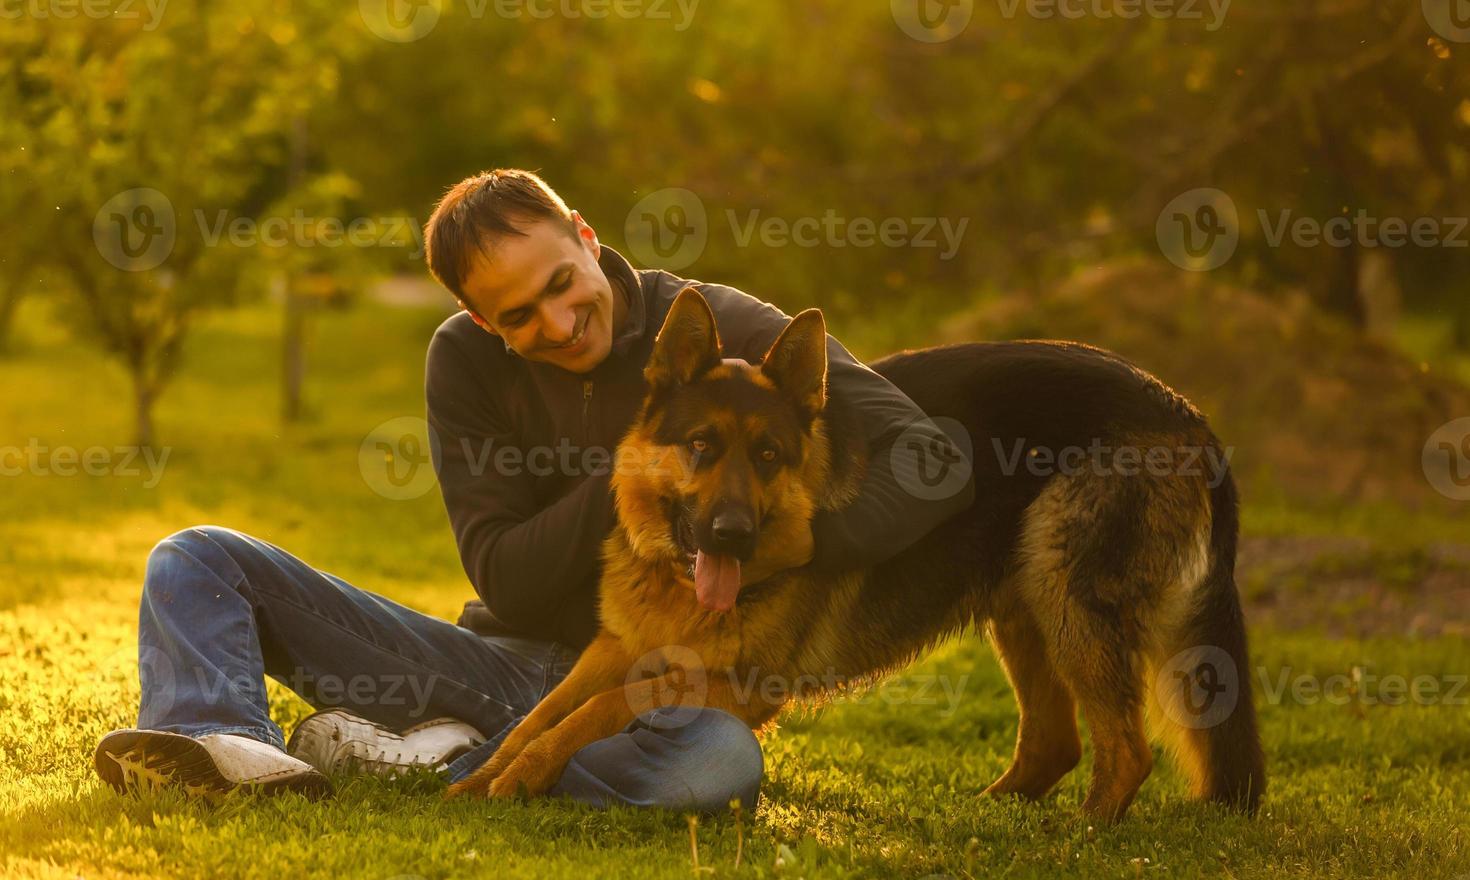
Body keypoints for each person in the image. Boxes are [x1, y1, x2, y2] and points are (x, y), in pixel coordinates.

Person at [93, 169, 975, 811]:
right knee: (197, 557)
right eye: (518, 316)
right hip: (500, 666)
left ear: (586, 238)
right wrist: (633, 472)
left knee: (717, 765)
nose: (557, 323)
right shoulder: (464, 361)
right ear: (484, 320)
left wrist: (794, 538)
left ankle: (428, 760)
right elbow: (506, 577)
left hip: (662, 695)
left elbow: (933, 462)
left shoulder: (724, 329)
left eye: (562, 284)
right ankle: (223, 745)